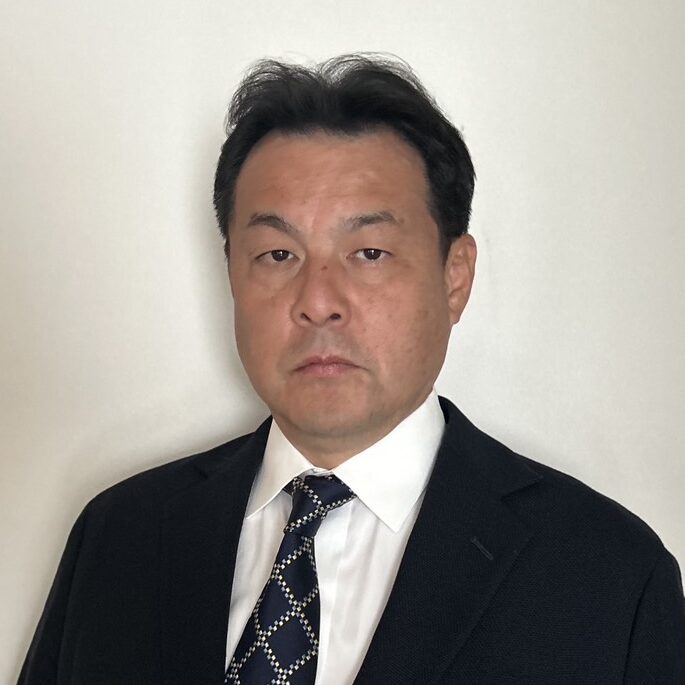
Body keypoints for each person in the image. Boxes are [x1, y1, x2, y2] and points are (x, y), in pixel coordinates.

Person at [19, 54, 685, 685]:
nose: (317, 301)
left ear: (454, 278)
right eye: (277, 255)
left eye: (368, 252)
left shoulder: (608, 576)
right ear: (231, 275)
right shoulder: (119, 537)